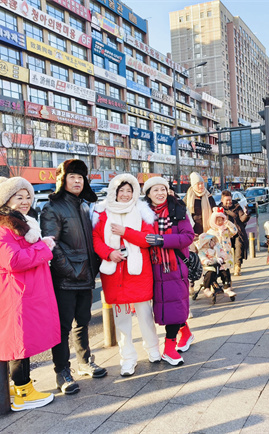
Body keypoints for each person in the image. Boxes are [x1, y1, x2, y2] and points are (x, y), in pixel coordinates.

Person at [0, 176, 58, 411]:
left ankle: (0, 390)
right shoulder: (2, 230)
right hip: (14, 295)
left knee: (16, 342)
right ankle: (23, 392)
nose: (25, 201)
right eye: (19, 197)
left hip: (20, 293)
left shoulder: (20, 224)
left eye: (28, 197)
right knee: (17, 343)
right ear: (6, 200)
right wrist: (43, 247)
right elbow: (13, 260)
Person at [40, 159, 106, 395]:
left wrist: (93, 267)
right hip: (66, 278)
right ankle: (62, 372)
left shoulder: (84, 205)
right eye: (72, 177)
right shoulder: (53, 207)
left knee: (83, 322)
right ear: (62, 180)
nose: (78, 181)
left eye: (81, 177)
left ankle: (85, 362)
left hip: (86, 274)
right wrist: (70, 270)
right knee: (63, 327)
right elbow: (51, 245)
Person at [92, 174, 160, 377]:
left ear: (134, 193)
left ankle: (153, 349)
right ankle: (127, 358)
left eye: (129, 191)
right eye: (121, 190)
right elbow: (95, 238)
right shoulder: (102, 212)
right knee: (121, 319)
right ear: (114, 191)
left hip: (138, 271)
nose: (124, 194)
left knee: (145, 315)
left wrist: (125, 232)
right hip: (114, 270)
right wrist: (108, 253)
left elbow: (148, 239)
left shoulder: (142, 210)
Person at [142, 176, 195, 365]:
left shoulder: (177, 210)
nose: (160, 193)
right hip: (154, 267)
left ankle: (169, 348)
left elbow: (188, 236)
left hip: (174, 266)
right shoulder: (144, 213)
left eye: (162, 189)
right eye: (155, 190)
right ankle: (186, 332)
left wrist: (163, 241)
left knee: (174, 305)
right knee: (170, 306)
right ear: (148, 194)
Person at [204, 207, 237, 298]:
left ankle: (227, 288)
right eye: (217, 220)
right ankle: (208, 287)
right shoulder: (210, 232)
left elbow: (235, 231)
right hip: (215, 256)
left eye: (221, 220)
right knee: (212, 272)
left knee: (226, 272)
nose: (220, 222)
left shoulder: (226, 230)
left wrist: (228, 223)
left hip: (226, 256)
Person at [220, 190, 250, 276]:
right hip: (225, 233)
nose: (229, 202)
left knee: (239, 244)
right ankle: (226, 267)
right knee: (223, 248)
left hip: (237, 232)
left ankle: (237, 266)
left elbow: (242, 219)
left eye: (230, 200)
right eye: (227, 200)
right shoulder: (219, 209)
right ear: (222, 200)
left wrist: (246, 214)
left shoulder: (236, 206)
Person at [185, 172, 216, 236]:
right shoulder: (188, 197)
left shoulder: (208, 196)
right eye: (198, 184)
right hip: (193, 231)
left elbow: (214, 210)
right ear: (193, 185)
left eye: (202, 183)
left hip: (208, 230)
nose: (201, 186)